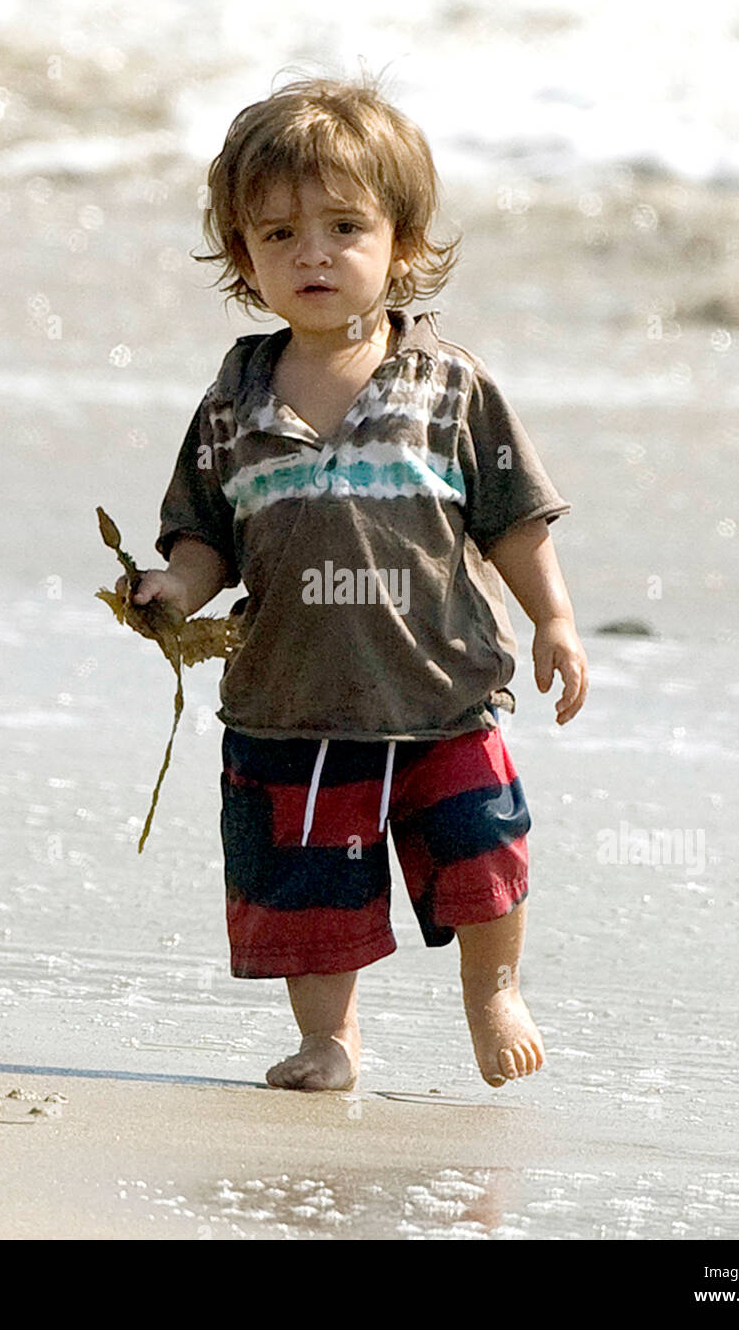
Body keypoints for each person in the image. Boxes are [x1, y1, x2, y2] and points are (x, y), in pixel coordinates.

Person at [120, 75, 588, 1091]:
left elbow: (511, 517)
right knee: (309, 893)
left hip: (442, 692)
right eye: (279, 235)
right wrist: (171, 589)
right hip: (293, 702)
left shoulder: (449, 387)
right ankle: (331, 1040)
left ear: (402, 243)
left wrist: (553, 618)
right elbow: (204, 535)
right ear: (244, 257)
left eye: (343, 226)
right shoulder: (233, 399)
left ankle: (492, 992)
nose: (313, 254)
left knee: (481, 857)